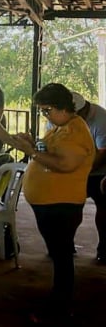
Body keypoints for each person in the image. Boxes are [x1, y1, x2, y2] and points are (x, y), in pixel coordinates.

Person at [12, 83, 95, 327]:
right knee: (59, 254)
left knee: (62, 257)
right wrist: (34, 144)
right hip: (50, 203)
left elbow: (64, 164)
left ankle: (60, 307)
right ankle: (59, 302)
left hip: (62, 205)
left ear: (62, 107)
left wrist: (32, 152)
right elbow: (48, 150)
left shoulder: (76, 131)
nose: (45, 115)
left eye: (47, 110)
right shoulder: (61, 127)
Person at [70, 92, 106, 264]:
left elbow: (102, 153)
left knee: (104, 206)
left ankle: (104, 248)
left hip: (99, 171)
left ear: (83, 111)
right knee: (69, 206)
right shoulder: (59, 117)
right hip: (74, 169)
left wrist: (83, 171)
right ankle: (65, 243)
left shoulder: (101, 118)